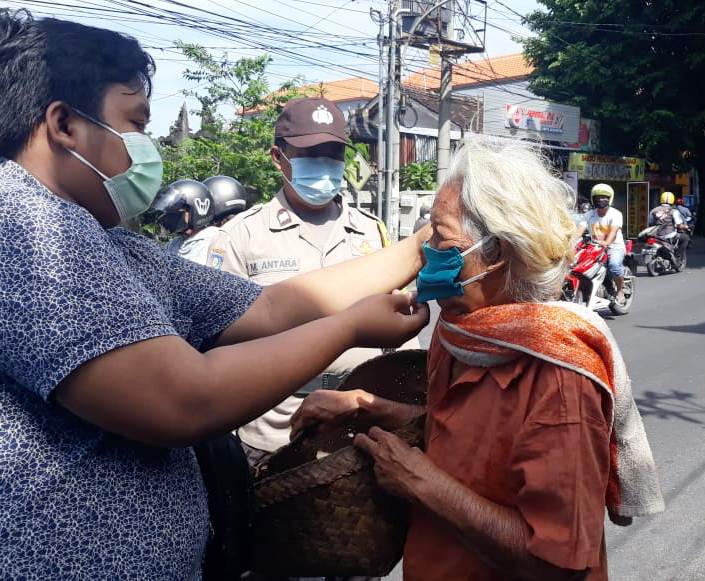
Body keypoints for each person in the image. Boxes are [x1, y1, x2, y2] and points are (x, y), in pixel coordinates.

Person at [0, 10, 430, 577]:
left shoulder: (107, 242)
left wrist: (423, 244)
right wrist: (349, 328)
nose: (143, 147)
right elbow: (183, 399)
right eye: (133, 123)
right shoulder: (22, 222)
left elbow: (270, 306)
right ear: (64, 125)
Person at [291, 136, 664, 581]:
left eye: (442, 245)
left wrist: (422, 485)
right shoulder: (462, 335)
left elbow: (558, 564)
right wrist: (366, 407)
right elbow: (465, 436)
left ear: (497, 253)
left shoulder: (559, 379)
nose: (426, 262)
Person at [207, 97, 411, 462]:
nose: (324, 164)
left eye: (333, 154)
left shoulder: (372, 233)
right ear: (277, 156)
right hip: (274, 429)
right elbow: (222, 341)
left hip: (357, 422)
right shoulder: (242, 237)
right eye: (310, 153)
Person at [576, 183, 627, 302]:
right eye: (597, 197)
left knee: (614, 266)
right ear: (593, 199)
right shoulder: (588, 215)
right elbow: (579, 230)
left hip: (614, 246)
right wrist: (569, 241)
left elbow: (614, 231)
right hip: (594, 247)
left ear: (610, 199)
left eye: (604, 197)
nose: (600, 200)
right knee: (580, 268)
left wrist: (606, 242)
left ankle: (620, 290)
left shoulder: (615, 214)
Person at [153, 178, 216, 264]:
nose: (171, 217)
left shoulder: (214, 241)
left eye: (176, 211)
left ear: (197, 210)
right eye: (170, 212)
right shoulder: (173, 244)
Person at [648, 191, 689, 262]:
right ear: (672, 200)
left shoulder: (653, 210)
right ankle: (677, 255)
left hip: (656, 235)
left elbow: (650, 222)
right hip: (669, 235)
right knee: (686, 238)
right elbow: (679, 225)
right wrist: (686, 227)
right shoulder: (673, 211)